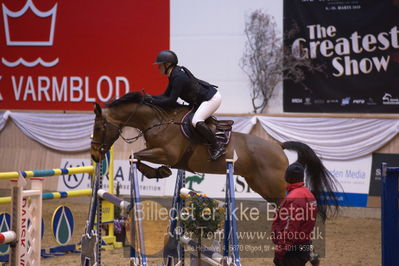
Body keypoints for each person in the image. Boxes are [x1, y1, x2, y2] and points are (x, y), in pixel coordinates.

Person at [146, 50, 225, 160]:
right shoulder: (173, 75)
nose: (158, 67)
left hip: (211, 99)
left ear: (167, 64)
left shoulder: (178, 77)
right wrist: (150, 98)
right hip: (201, 100)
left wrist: (152, 101)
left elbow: (171, 101)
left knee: (196, 121)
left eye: (159, 65)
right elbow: (165, 95)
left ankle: (217, 147)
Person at [271, 162, 318, 266]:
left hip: (291, 250)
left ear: (287, 177)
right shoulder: (308, 194)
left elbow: (290, 227)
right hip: (303, 244)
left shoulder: (293, 198)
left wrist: (281, 249)